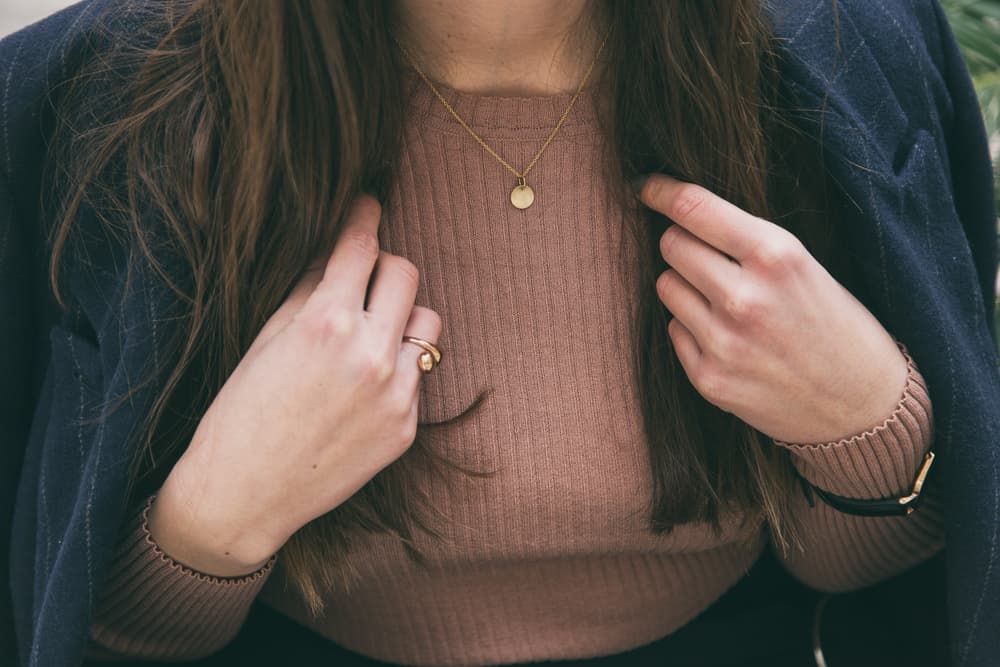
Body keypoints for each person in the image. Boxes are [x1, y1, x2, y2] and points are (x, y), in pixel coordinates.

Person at [1, 1, 997, 666]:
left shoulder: (855, 60)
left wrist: (869, 432)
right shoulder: (89, 105)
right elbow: (72, 620)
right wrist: (208, 528)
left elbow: (906, 587)